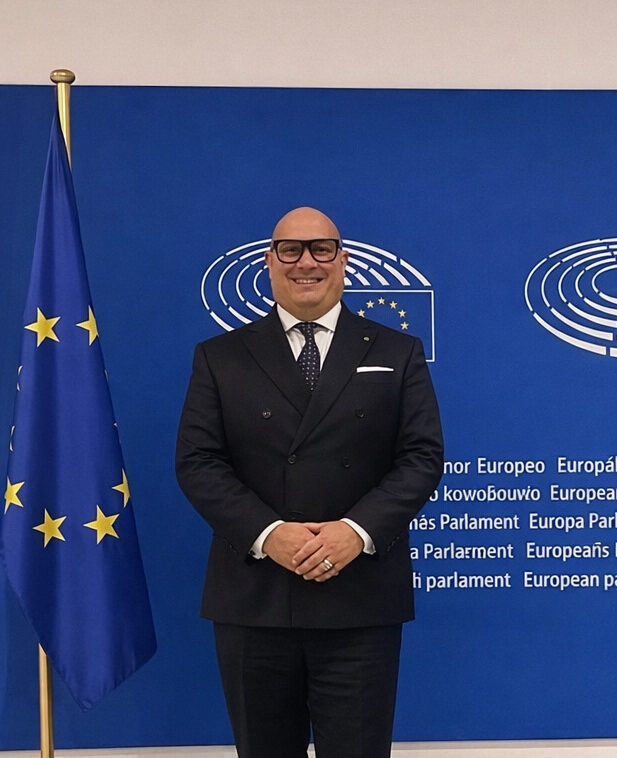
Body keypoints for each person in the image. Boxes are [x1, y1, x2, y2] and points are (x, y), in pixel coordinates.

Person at [175, 206, 443, 758]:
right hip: (254, 599)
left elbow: (421, 457)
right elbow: (198, 462)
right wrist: (269, 534)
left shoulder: (397, 351)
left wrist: (356, 532)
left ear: (342, 261)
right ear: (269, 263)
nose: (306, 263)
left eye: (321, 249)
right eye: (290, 250)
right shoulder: (220, 357)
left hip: (360, 598)